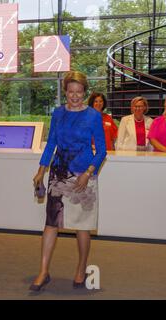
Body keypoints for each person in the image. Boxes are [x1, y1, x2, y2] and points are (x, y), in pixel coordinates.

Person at [30, 71, 107, 291]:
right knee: (51, 223)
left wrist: (88, 172)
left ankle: (81, 268)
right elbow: (51, 143)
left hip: (84, 175)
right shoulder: (57, 113)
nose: (74, 96)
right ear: (65, 92)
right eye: (71, 91)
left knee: (82, 226)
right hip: (59, 173)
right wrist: (40, 171)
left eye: (79, 92)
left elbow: (101, 151)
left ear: (85, 92)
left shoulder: (93, 116)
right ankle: (43, 271)